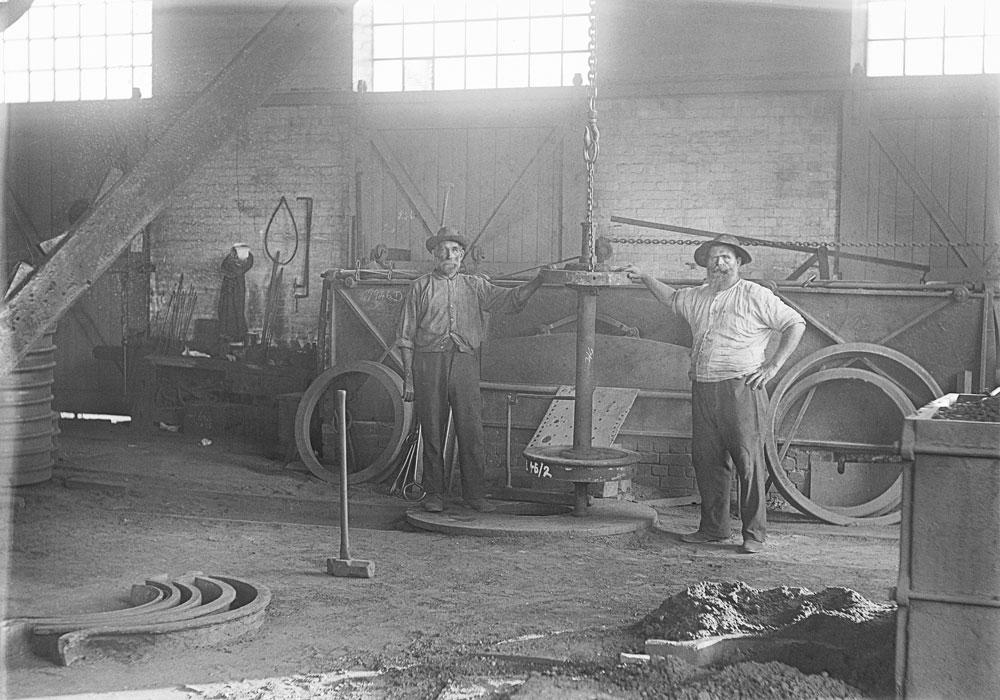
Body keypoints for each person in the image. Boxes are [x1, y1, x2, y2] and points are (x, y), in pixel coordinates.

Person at [624, 234, 805, 554]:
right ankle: (714, 529)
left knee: (747, 462)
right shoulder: (697, 296)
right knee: (707, 461)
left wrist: (774, 365)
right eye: (713, 257)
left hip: (741, 388)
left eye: (726, 257)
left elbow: (795, 324)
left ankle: (754, 535)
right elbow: (671, 298)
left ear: (738, 263)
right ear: (706, 264)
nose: (719, 262)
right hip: (704, 387)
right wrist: (644, 277)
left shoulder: (754, 295)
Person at [396, 227, 546, 513]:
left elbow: (510, 300)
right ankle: (434, 494)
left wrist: (538, 280)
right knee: (431, 429)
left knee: (471, 430)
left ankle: (474, 495)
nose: (448, 255)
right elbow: (405, 338)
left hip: (465, 363)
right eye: (443, 250)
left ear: (462, 255)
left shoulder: (475, 286)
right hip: (429, 364)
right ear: (434, 254)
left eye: (454, 250)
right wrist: (409, 379)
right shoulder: (419, 287)